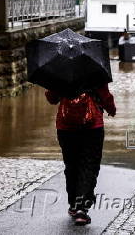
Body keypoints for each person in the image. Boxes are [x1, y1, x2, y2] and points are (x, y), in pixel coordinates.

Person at [45, 84, 116, 226]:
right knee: (89, 165)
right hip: (92, 126)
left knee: (71, 165)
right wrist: (111, 109)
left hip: (66, 126)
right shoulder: (94, 69)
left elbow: (52, 98)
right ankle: (81, 208)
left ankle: (73, 204)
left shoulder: (60, 70)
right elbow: (105, 95)